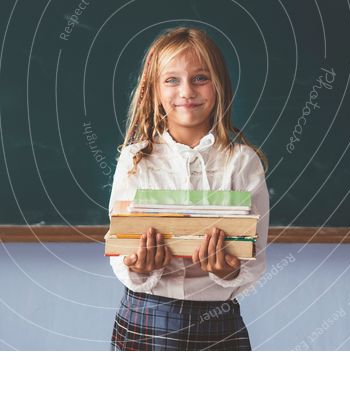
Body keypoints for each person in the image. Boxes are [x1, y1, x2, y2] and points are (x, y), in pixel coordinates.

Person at [108, 26, 270, 351]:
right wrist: (138, 267)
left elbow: (255, 256)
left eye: (200, 78)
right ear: (154, 90)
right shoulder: (135, 159)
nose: (186, 91)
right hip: (144, 312)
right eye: (172, 80)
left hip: (217, 318)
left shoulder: (242, 162)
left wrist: (228, 272)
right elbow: (119, 244)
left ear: (219, 85)